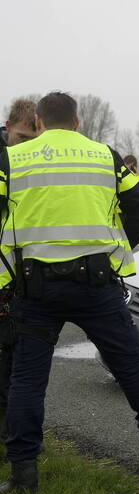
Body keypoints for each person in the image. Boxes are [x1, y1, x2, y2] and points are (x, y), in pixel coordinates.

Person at [0, 92, 139, 494]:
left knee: (27, 378)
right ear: (78, 121)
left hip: (34, 287)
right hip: (96, 283)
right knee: (130, 365)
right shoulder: (105, 155)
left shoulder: (12, 160)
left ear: (38, 121)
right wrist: (115, 245)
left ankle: (23, 473)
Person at [0, 98, 42, 440]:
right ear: (8, 128)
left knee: (13, 360)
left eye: (33, 140)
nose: (26, 147)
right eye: (21, 138)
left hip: (19, 277)